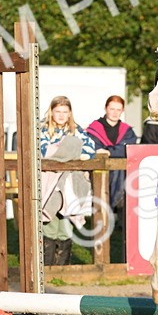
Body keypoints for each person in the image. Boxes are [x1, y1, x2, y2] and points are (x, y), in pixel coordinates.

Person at [39, 95, 97, 266]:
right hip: (49, 180)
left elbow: (89, 148)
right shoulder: (43, 129)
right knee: (50, 222)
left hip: (70, 181)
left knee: (66, 222)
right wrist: (65, 149)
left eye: (65, 112)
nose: (61, 115)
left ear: (70, 113)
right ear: (52, 112)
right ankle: (47, 267)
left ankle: (63, 268)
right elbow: (44, 152)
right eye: (58, 111)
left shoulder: (77, 130)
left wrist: (65, 148)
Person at [85, 95, 137, 222]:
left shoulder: (127, 131)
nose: (115, 113)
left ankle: (117, 209)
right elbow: (94, 148)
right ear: (105, 108)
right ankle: (111, 207)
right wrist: (113, 151)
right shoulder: (94, 129)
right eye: (112, 109)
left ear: (122, 111)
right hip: (100, 173)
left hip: (121, 174)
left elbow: (128, 148)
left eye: (118, 110)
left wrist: (108, 151)